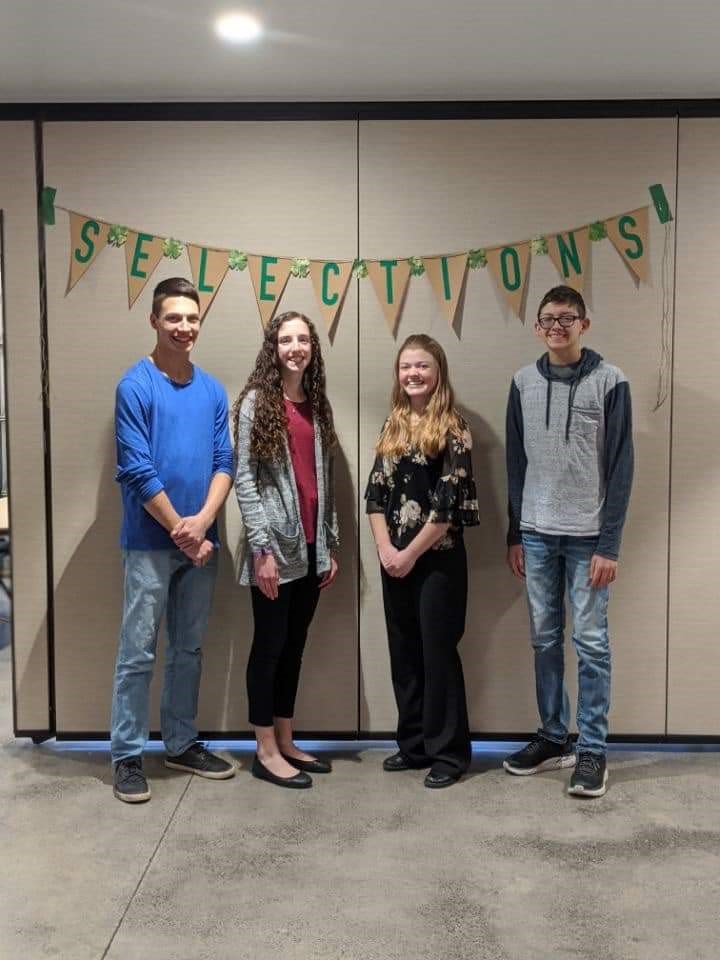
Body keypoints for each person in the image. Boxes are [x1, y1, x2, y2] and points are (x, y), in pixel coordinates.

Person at [503, 285, 633, 798]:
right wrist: (516, 531)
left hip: (589, 538)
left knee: (592, 644)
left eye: (568, 318)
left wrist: (611, 543)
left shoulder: (610, 381)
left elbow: (622, 465)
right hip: (536, 533)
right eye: (548, 319)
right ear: (537, 327)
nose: (557, 326)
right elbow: (515, 464)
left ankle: (593, 749)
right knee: (544, 639)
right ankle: (554, 736)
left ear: (585, 323)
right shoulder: (521, 383)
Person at [110, 277, 235, 803]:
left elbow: (224, 462)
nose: (184, 328)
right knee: (137, 651)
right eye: (173, 318)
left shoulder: (212, 390)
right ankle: (127, 755)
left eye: (192, 319)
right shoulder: (134, 386)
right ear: (155, 321)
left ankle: (181, 743)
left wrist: (203, 521)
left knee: (188, 649)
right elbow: (136, 470)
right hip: (149, 544)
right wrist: (185, 534)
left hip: (201, 542)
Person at [365, 334, 479, 788]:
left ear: (439, 372)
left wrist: (409, 554)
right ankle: (413, 746)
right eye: (406, 366)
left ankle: (448, 755)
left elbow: (449, 509)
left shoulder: (454, 428)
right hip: (394, 561)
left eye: (422, 366)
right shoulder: (392, 425)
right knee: (404, 653)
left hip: (437, 563)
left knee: (437, 655)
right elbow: (374, 496)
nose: (413, 374)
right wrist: (386, 551)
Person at [233, 311, 339, 789]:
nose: (295, 347)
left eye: (303, 339)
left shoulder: (316, 403)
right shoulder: (258, 401)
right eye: (285, 339)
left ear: (312, 346)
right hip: (274, 549)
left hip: (314, 546)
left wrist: (330, 544)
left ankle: (286, 738)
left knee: (294, 648)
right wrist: (262, 550)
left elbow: (324, 480)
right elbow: (245, 479)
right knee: (270, 647)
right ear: (272, 347)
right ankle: (264, 749)